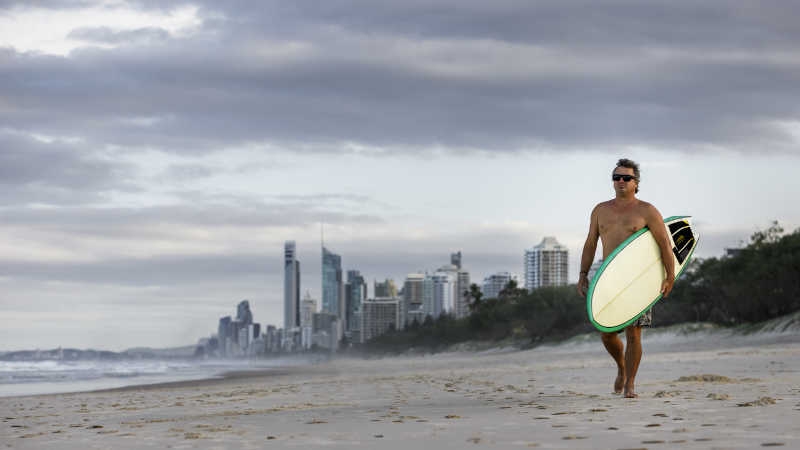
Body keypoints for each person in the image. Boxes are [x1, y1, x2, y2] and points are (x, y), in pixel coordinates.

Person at [577, 158, 675, 398]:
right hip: (607, 278)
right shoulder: (600, 210)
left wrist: (670, 275)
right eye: (616, 177)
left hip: (638, 279)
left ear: (636, 183)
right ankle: (621, 366)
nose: (621, 181)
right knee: (607, 332)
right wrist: (582, 274)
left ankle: (630, 383)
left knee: (634, 331)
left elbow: (664, 244)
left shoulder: (647, 211)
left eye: (626, 178)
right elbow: (591, 242)